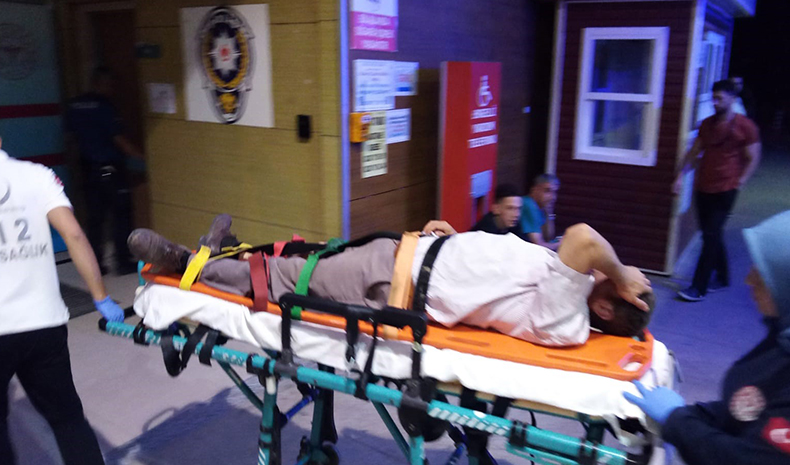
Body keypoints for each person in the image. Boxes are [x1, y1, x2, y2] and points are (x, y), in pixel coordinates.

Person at [128, 214, 655, 347]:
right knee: (308, 254)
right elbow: (504, 274)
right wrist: (456, 239)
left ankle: (183, 262)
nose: (606, 274)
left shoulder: (567, 319)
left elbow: (584, 239)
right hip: (413, 254)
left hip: (392, 282)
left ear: (605, 308)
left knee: (290, 277)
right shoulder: (572, 294)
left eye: (615, 286)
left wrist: (622, 272)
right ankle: (228, 251)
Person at [624, 211, 790, 465]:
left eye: (763, 274)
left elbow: (745, 464)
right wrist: (693, 415)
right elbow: (749, 407)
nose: (748, 280)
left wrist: (676, 420)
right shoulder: (781, 338)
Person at [0, 139, 124, 465]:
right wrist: (100, 296)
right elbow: (74, 235)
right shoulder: (36, 175)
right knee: (68, 420)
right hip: (44, 323)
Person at [673, 80, 761, 302]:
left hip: (726, 188)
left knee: (711, 236)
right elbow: (694, 152)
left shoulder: (745, 126)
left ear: (732, 99)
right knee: (711, 233)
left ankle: (698, 287)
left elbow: (753, 156)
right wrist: (681, 176)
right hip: (703, 186)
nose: (714, 102)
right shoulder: (706, 125)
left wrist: (741, 181)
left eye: (719, 98)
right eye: (713, 97)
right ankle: (723, 277)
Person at [65, 67, 144, 275]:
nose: (113, 89)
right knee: (121, 215)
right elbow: (119, 139)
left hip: (87, 169)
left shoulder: (74, 105)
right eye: (110, 84)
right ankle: (123, 261)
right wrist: (144, 158)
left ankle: (95, 263)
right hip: (110, 169)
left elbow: (71, 139)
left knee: (95, 219)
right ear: (101, 83)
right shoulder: (105, 106)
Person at [520, 174, 561, 250]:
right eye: (547, 191)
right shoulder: (529, 205)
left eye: (554, 192)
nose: (553, 197)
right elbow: (538, 246)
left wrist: (549, 213)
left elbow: (548, 237)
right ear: (534, 189)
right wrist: (561, 244)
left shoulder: (540, 207)